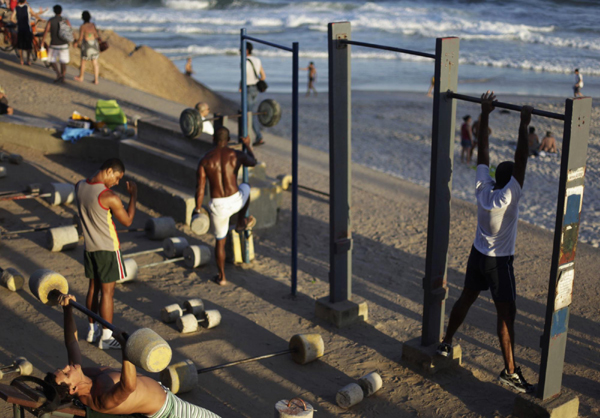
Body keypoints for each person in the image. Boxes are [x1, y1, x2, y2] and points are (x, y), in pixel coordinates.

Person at [436, 91, 535, 394]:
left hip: (477, 254)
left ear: (495, 177)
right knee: (506, 315)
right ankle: (510, 371)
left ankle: (446, 342)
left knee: (466, 298)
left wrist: (486, 113)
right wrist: (523, 123)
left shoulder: (484, 189)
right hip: (498, 262)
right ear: (513, 181)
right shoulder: (510, 196)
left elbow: (482, 153)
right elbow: (521, 158)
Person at [45, 293, 221, 417]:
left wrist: (67, 309)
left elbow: (71, 343)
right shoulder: (99, 399)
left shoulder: (84, 375)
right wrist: (126, 349)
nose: (68, 366)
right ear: (73, 389)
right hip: (172, 412)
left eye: (64, 368)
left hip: (169, 398)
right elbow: (128, 386)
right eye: (67, 373)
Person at [75, 159, 136, 350]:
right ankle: (107, 337)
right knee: (108, 293)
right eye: (117, 177)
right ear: (109, 171)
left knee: (93, 288)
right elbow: (127, 221)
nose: (117, 182)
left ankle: (92, 330)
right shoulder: (109, 196)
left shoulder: (79, 186)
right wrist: (133, 196)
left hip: (90, 247)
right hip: (108, 249)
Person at [195, 127, 257, 286]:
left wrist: (197, 208)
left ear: (213, 139)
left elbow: (200, 188)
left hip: (218, 206)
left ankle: (222, 277)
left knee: (220, 241)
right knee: (246, 187)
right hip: (236, 201)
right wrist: (248, 145)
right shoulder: (235, 155)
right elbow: (253, 162)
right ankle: (241, 220)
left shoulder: (205, 160)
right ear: (228, 140)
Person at [242, 42, 266, 146]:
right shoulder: (257, 60)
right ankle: (252, 135)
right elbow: (263, 76)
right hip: (256, 88)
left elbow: (244, 76)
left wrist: (241, 86)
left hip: (248, 87)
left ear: (246, 50)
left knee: (249, 113)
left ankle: (257, 136)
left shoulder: (244, 61)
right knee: (251, 112)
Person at [42, 4, 71, 83]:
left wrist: (42, 42)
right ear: (61, 11)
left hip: (54, 44)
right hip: (64, 44)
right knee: (63, 62)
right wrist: (72, 40)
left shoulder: (51, 20)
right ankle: (63, 78)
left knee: (51, 60)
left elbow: (46, 31)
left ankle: (58, 74)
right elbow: (70, 30)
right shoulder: (65, 20)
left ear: (54, 11)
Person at [11, 0, 42, 65]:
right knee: (28, 46)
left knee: (20, 45)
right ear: (25, 1)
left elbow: (11, 19)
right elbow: (34, 14)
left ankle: (21, 60)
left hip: (20, 29)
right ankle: (28, 60)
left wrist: (17, 23)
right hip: (27, 29)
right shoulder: (27, 7)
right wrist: (41, 19)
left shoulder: (16, 8)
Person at [74, 10, 101, 84]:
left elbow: (80, 38)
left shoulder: (82, 26)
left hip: (87, 45)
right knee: (95, 62)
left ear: (82, 18)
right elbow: (96, 35)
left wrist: (76, 42)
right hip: (94, 44)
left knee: (83, 61)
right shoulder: (93, 24)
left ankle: (81, 77)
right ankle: (96, 80)